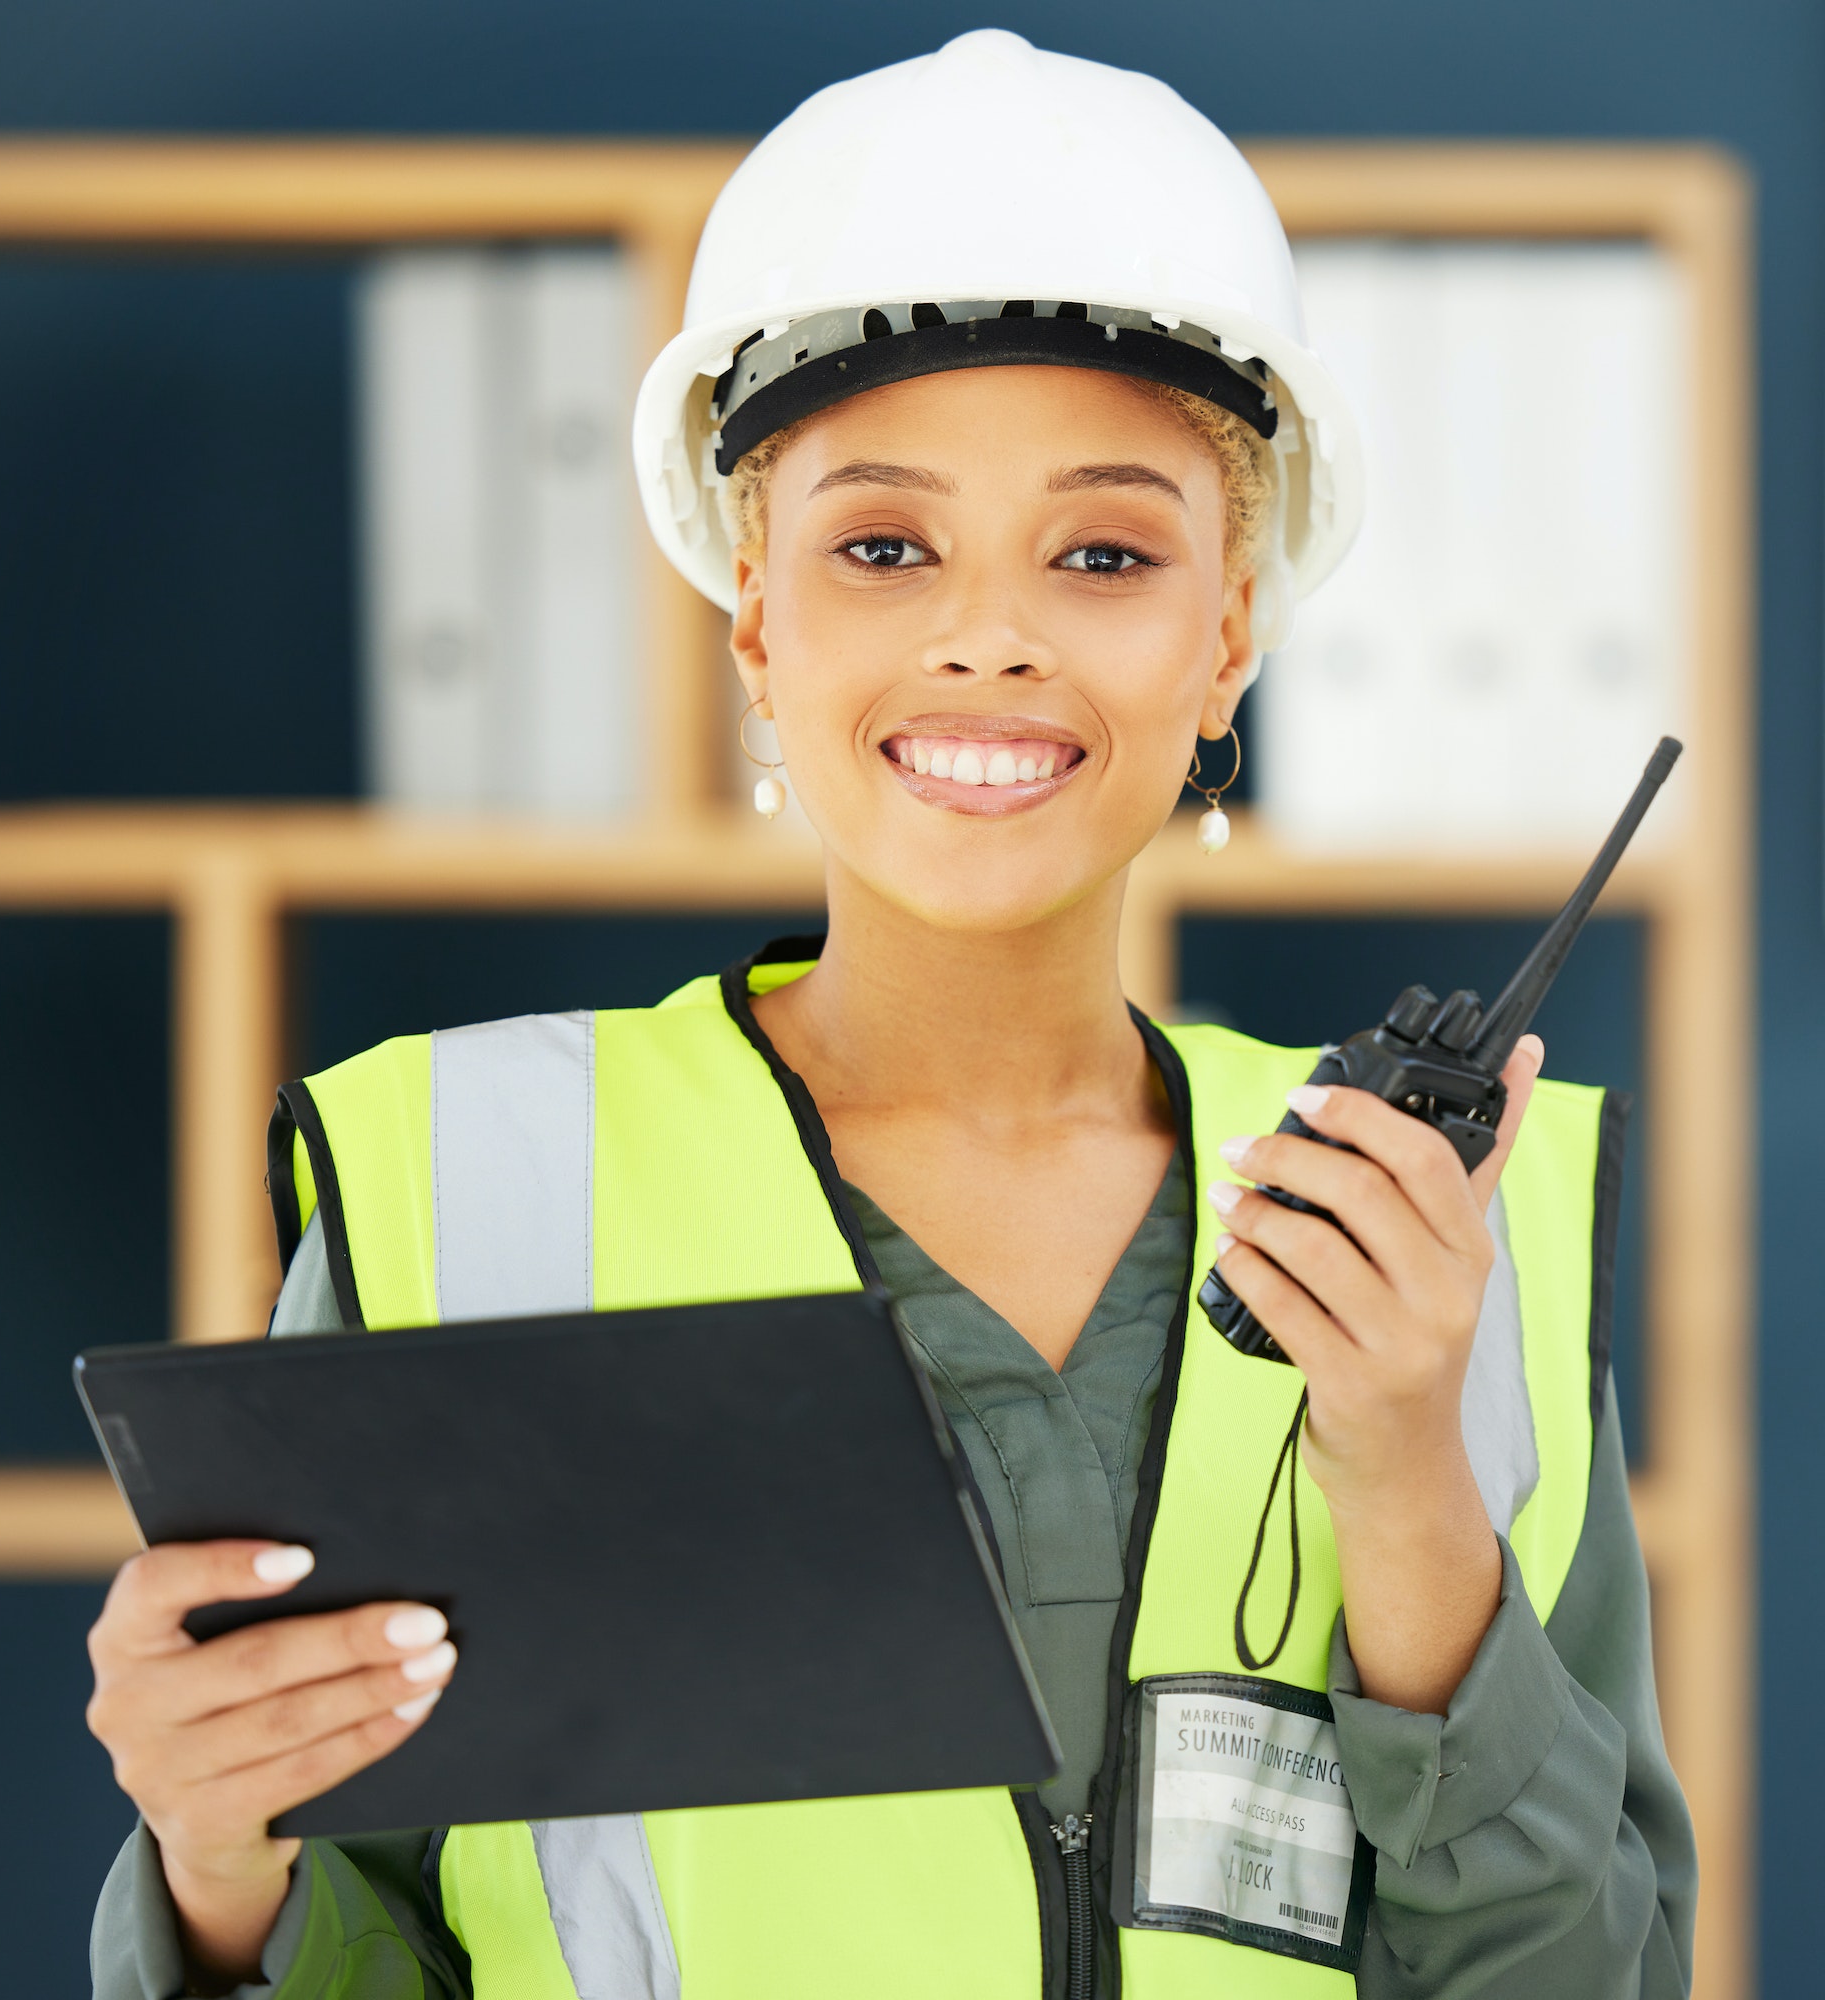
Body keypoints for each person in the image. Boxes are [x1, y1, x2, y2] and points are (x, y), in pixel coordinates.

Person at [86, 31, 1695, 2000]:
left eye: (1102, 553)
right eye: (882, 547)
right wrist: (218, 1864)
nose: (987, 633)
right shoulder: (467, 1197)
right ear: (757, 619)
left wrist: (1409, 1481)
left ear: (1228, 636)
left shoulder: (1447, 1247)